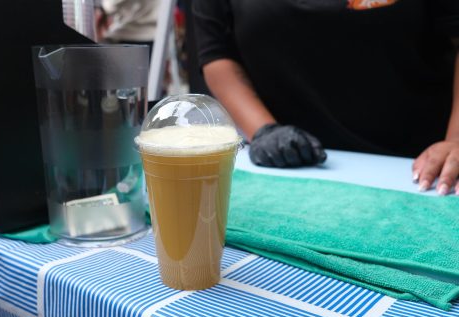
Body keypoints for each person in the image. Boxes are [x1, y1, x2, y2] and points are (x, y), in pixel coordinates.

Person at [193, 0, 459, 195]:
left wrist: (455, 140)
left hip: (419, 172)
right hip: (291, 173)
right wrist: (264, 131)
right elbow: (217, 54)